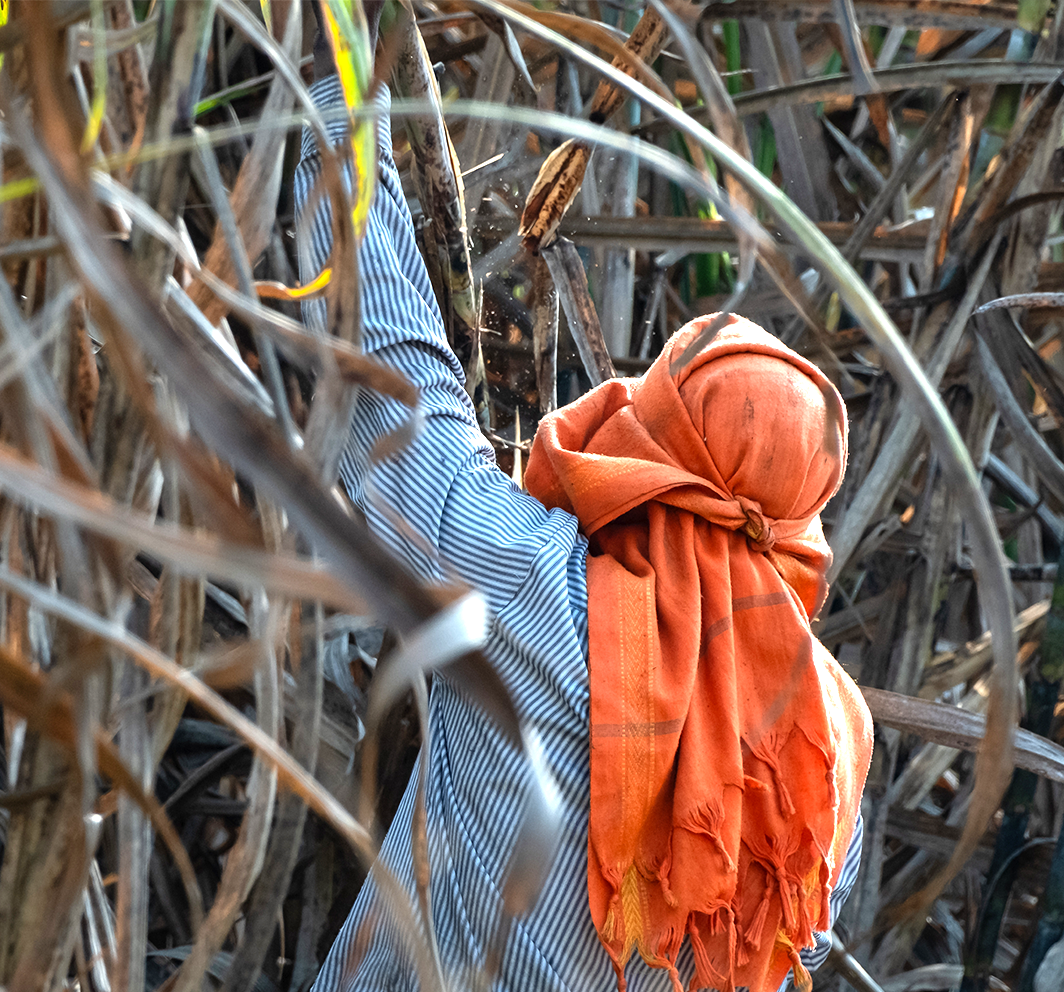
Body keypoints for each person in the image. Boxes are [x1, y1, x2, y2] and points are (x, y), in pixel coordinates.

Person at [292, 40, 873, 992]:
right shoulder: (831, 743)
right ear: (801, 517)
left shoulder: (538, 591)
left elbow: (395, 384)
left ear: (662, 441)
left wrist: (340, 94)